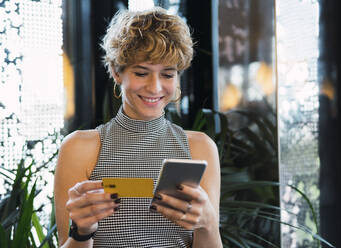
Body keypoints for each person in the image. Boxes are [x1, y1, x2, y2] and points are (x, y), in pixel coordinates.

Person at [54, 6, 222, 248]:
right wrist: (82, 232)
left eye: (167, 74)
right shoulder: (79, 148)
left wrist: (207, 224)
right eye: (142, 73)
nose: (155, 88)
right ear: (116, 72)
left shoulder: (200, 147)